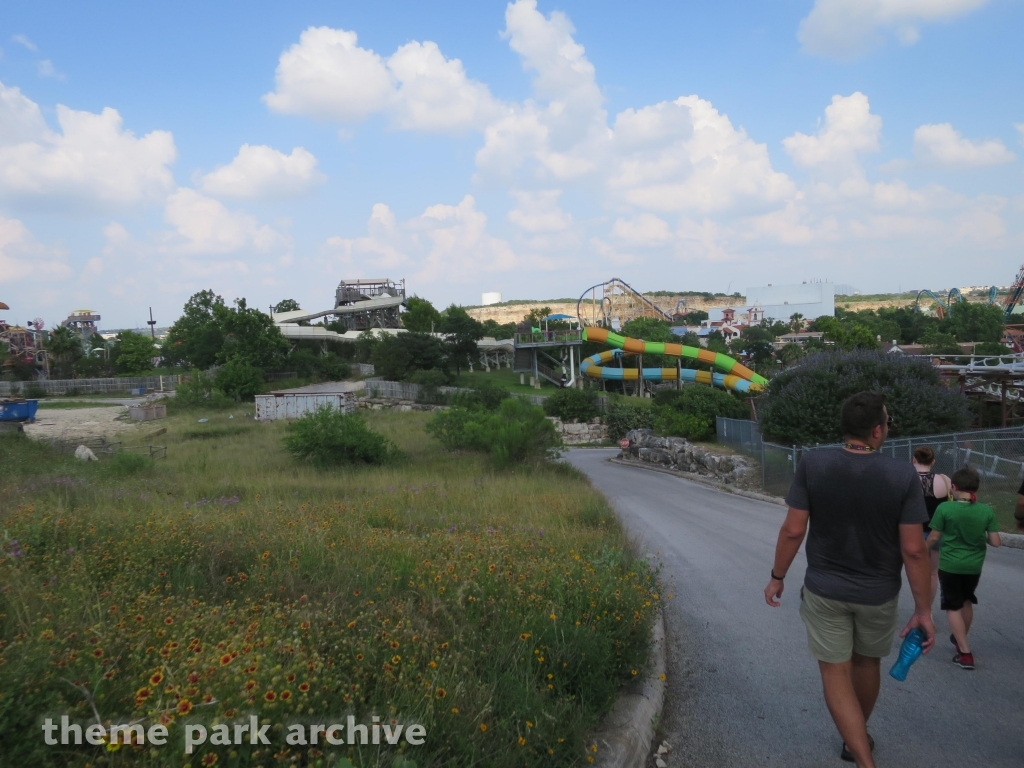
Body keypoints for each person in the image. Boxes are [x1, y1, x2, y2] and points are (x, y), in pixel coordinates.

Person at [764, 391, 935, 768]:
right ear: (877, 430)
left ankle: (857, 748)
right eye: (888, 423)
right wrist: (923, 609)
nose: (888, 429)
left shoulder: (814, 464)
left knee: (835, 671)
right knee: (866, 664)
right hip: (878, 593)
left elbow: (793, 530)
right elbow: (914, 549)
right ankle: (858, 747)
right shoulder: (902, 474)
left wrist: (778, 577)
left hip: (825, 590)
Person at [926, 466, 1001, 670]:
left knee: (952, 605)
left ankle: (965, 653)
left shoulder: (945, 509)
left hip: (951, 564)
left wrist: (923, 551)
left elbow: (933, 537)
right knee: (967, 600)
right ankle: (960, 638)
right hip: (974, 566)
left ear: (954, 487)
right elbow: (995, 542)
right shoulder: (986, 510)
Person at [912, 447, 951, 606]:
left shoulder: (907, 480)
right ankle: (927, 611)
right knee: (933, 574)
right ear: (933, 461)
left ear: (913, 459)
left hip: (913, 533)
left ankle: (919, 609)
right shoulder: (945, 480)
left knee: (916, 574)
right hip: (937, 533)